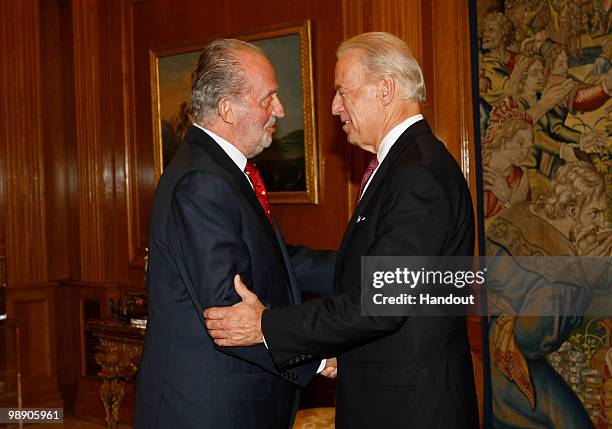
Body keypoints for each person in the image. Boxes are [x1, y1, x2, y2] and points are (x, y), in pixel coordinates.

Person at [205, 32, 479, 429]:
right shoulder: (405, 164)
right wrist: (273, 260)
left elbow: (380, 300)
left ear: (385, 89)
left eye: (342, 91)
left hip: (412, 409)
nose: (334, 107)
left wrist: (266, 325)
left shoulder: (417, 173)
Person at [134, 39, 335, 429]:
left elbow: (277, 261)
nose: (280, 109)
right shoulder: (201, 182)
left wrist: (366, 270)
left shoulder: (221, 172)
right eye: (268, 98)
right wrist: (320, 360)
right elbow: (228, 310)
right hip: (209, 412)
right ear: (227, 109)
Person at [486, 161, 612, 428]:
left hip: (500, 355)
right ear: (571, 209)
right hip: (509, 367)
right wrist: (582, 278)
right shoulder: (559, 254)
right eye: (595, 214)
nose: (601, 223)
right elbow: (531, 337)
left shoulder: (523, 213)